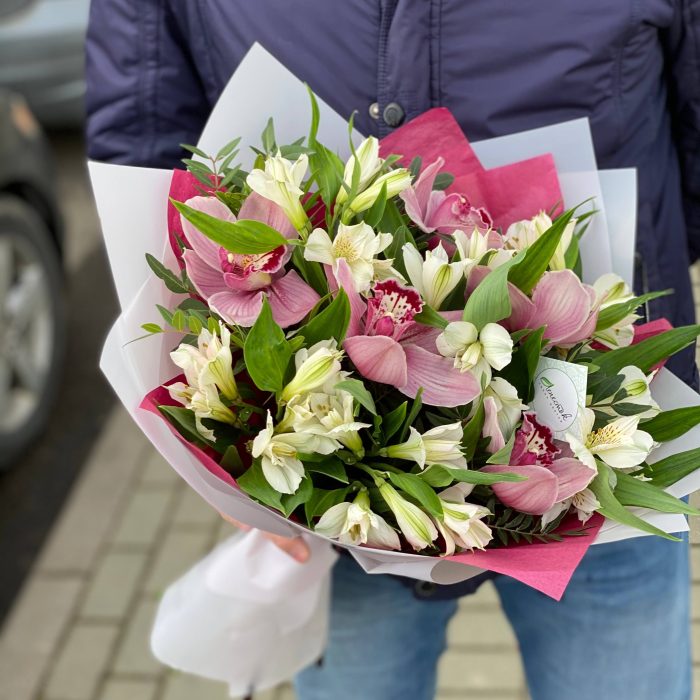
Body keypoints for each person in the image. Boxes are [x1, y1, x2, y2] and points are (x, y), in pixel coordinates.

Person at [85, 2, 699, 699]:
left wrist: (619, 278)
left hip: (598, 422)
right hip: (328, 475)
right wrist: (215, 429)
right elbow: (145, 148)